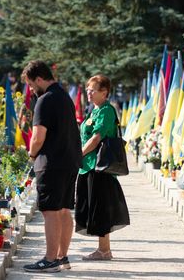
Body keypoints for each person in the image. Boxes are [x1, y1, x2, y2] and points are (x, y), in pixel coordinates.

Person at [21, 61, 82, 273]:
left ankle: (49, 259)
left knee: (50, 212)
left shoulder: (44, 100)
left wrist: (31, 154)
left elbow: (38, 136)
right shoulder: (64, 96)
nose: (31, 89)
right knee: (64, 210)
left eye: (31, 84)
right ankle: (62, 257)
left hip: (51, 163)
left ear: (39, 79)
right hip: (70, 161)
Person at [75, 74, 130, 260]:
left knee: (100, 208)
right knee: (95, 208)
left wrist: (79, 153)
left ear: (104, 92)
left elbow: (97, 137)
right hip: (88, 167)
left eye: (93, 90)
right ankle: (103, 249)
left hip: (99, 167)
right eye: (88, 89)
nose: (88, 93)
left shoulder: (107, 110)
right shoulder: (94, 110)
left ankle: (104, 250)